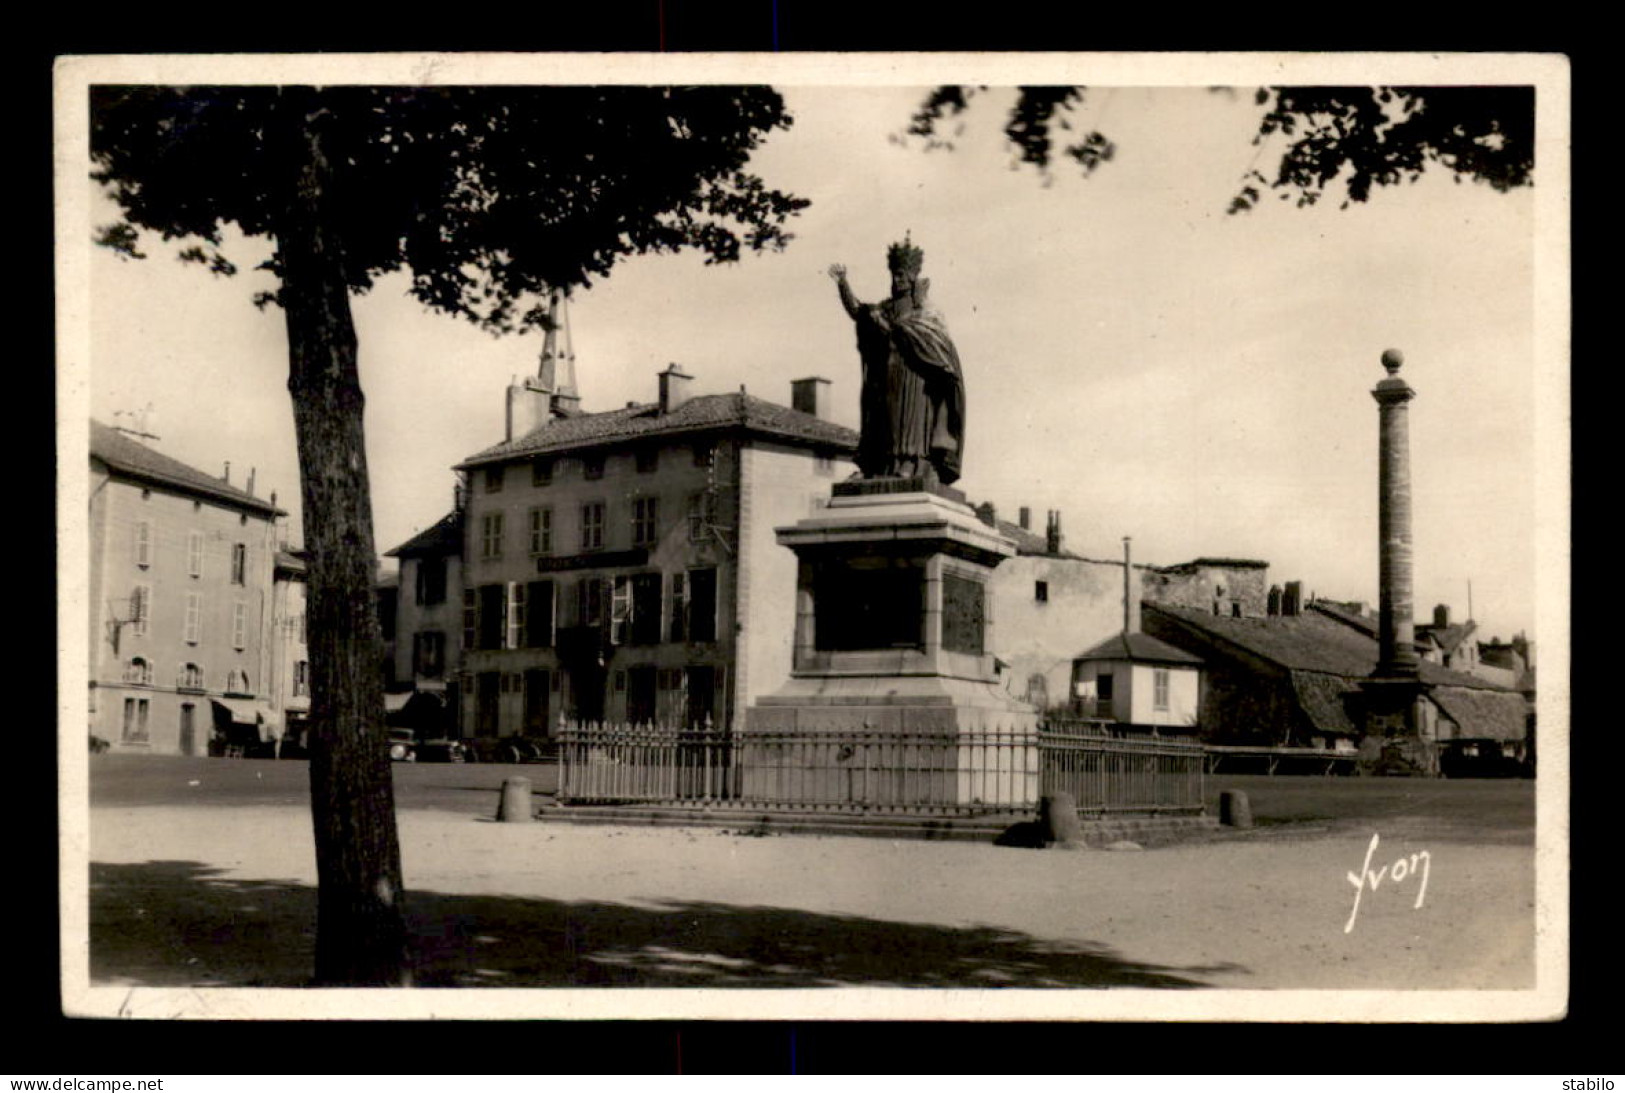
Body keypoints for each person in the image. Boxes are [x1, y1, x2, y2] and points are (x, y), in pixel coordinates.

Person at [828, 234, 965, 485]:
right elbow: (859, 312)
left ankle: (912, 463)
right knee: (884, 420)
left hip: (915, 374)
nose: (897, 279)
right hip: (887, 373)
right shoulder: (885, 306)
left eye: (901, 274)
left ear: (912, 277)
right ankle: (881, 464)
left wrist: (896, 329)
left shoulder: (925, 309)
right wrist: (843, 284)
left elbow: (935, 341)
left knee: (910, 422)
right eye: (894, 274)